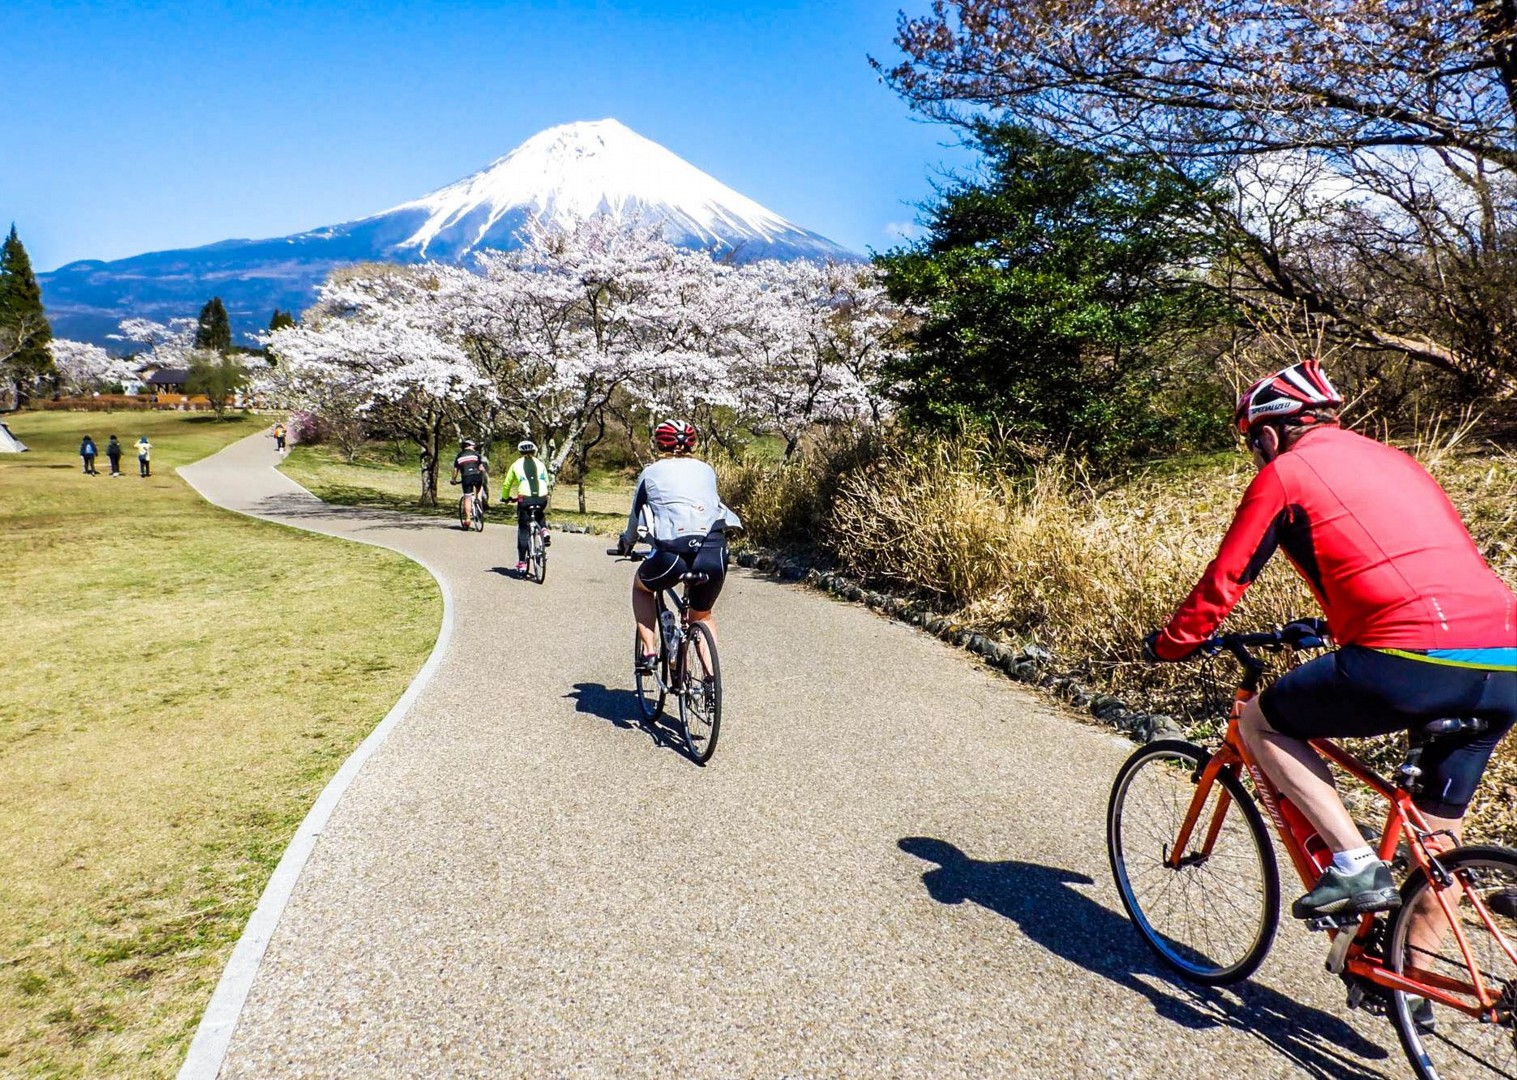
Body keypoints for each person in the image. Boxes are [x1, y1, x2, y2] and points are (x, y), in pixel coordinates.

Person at [1144, 360, 1515, 920]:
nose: (1256, 454)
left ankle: (1353, 863)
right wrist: (1331, 626)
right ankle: (1407, 987)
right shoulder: (1399, 462)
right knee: (1439, 853)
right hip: (1506, 661)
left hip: (1411, 656)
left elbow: (1228, 577)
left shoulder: (1285, 473)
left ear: (1269, 432)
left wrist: (1173, 643)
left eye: (1253, 443)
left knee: (1260, 722)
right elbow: (1413, 564)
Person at [615, 420, 742, 674]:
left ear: (659, 443)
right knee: (702, 615)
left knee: (642, 589)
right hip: (714, 550)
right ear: (692, 443)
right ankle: (710, 682)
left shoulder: (650, 473)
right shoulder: (706, 470)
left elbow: (635, 515)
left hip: (673, 555)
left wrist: (626, 543)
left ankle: (649, 652)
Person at [502, 440, 552, 573]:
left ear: (520, 452)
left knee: (523, 530)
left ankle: (522, 562)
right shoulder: (540, 464)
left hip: (525, 499)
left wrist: (505, 497)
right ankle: (544, 530)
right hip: (542, 498)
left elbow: (506, 484)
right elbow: (546, 481)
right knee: (540, 513)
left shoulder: (516, 465)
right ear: (534, 451)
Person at [449, 439, 489, 530]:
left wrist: (453, 480)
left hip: (466, 477)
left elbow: (456, 470)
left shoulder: (459, 456)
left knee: (467, 497)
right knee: (479, 488)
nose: (474, 448)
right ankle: (479, 501)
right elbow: (481, 467)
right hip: (477, 476)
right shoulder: (476, 454)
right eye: (473, 446)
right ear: (469, 446)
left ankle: (467, 519)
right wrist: (482, 475)